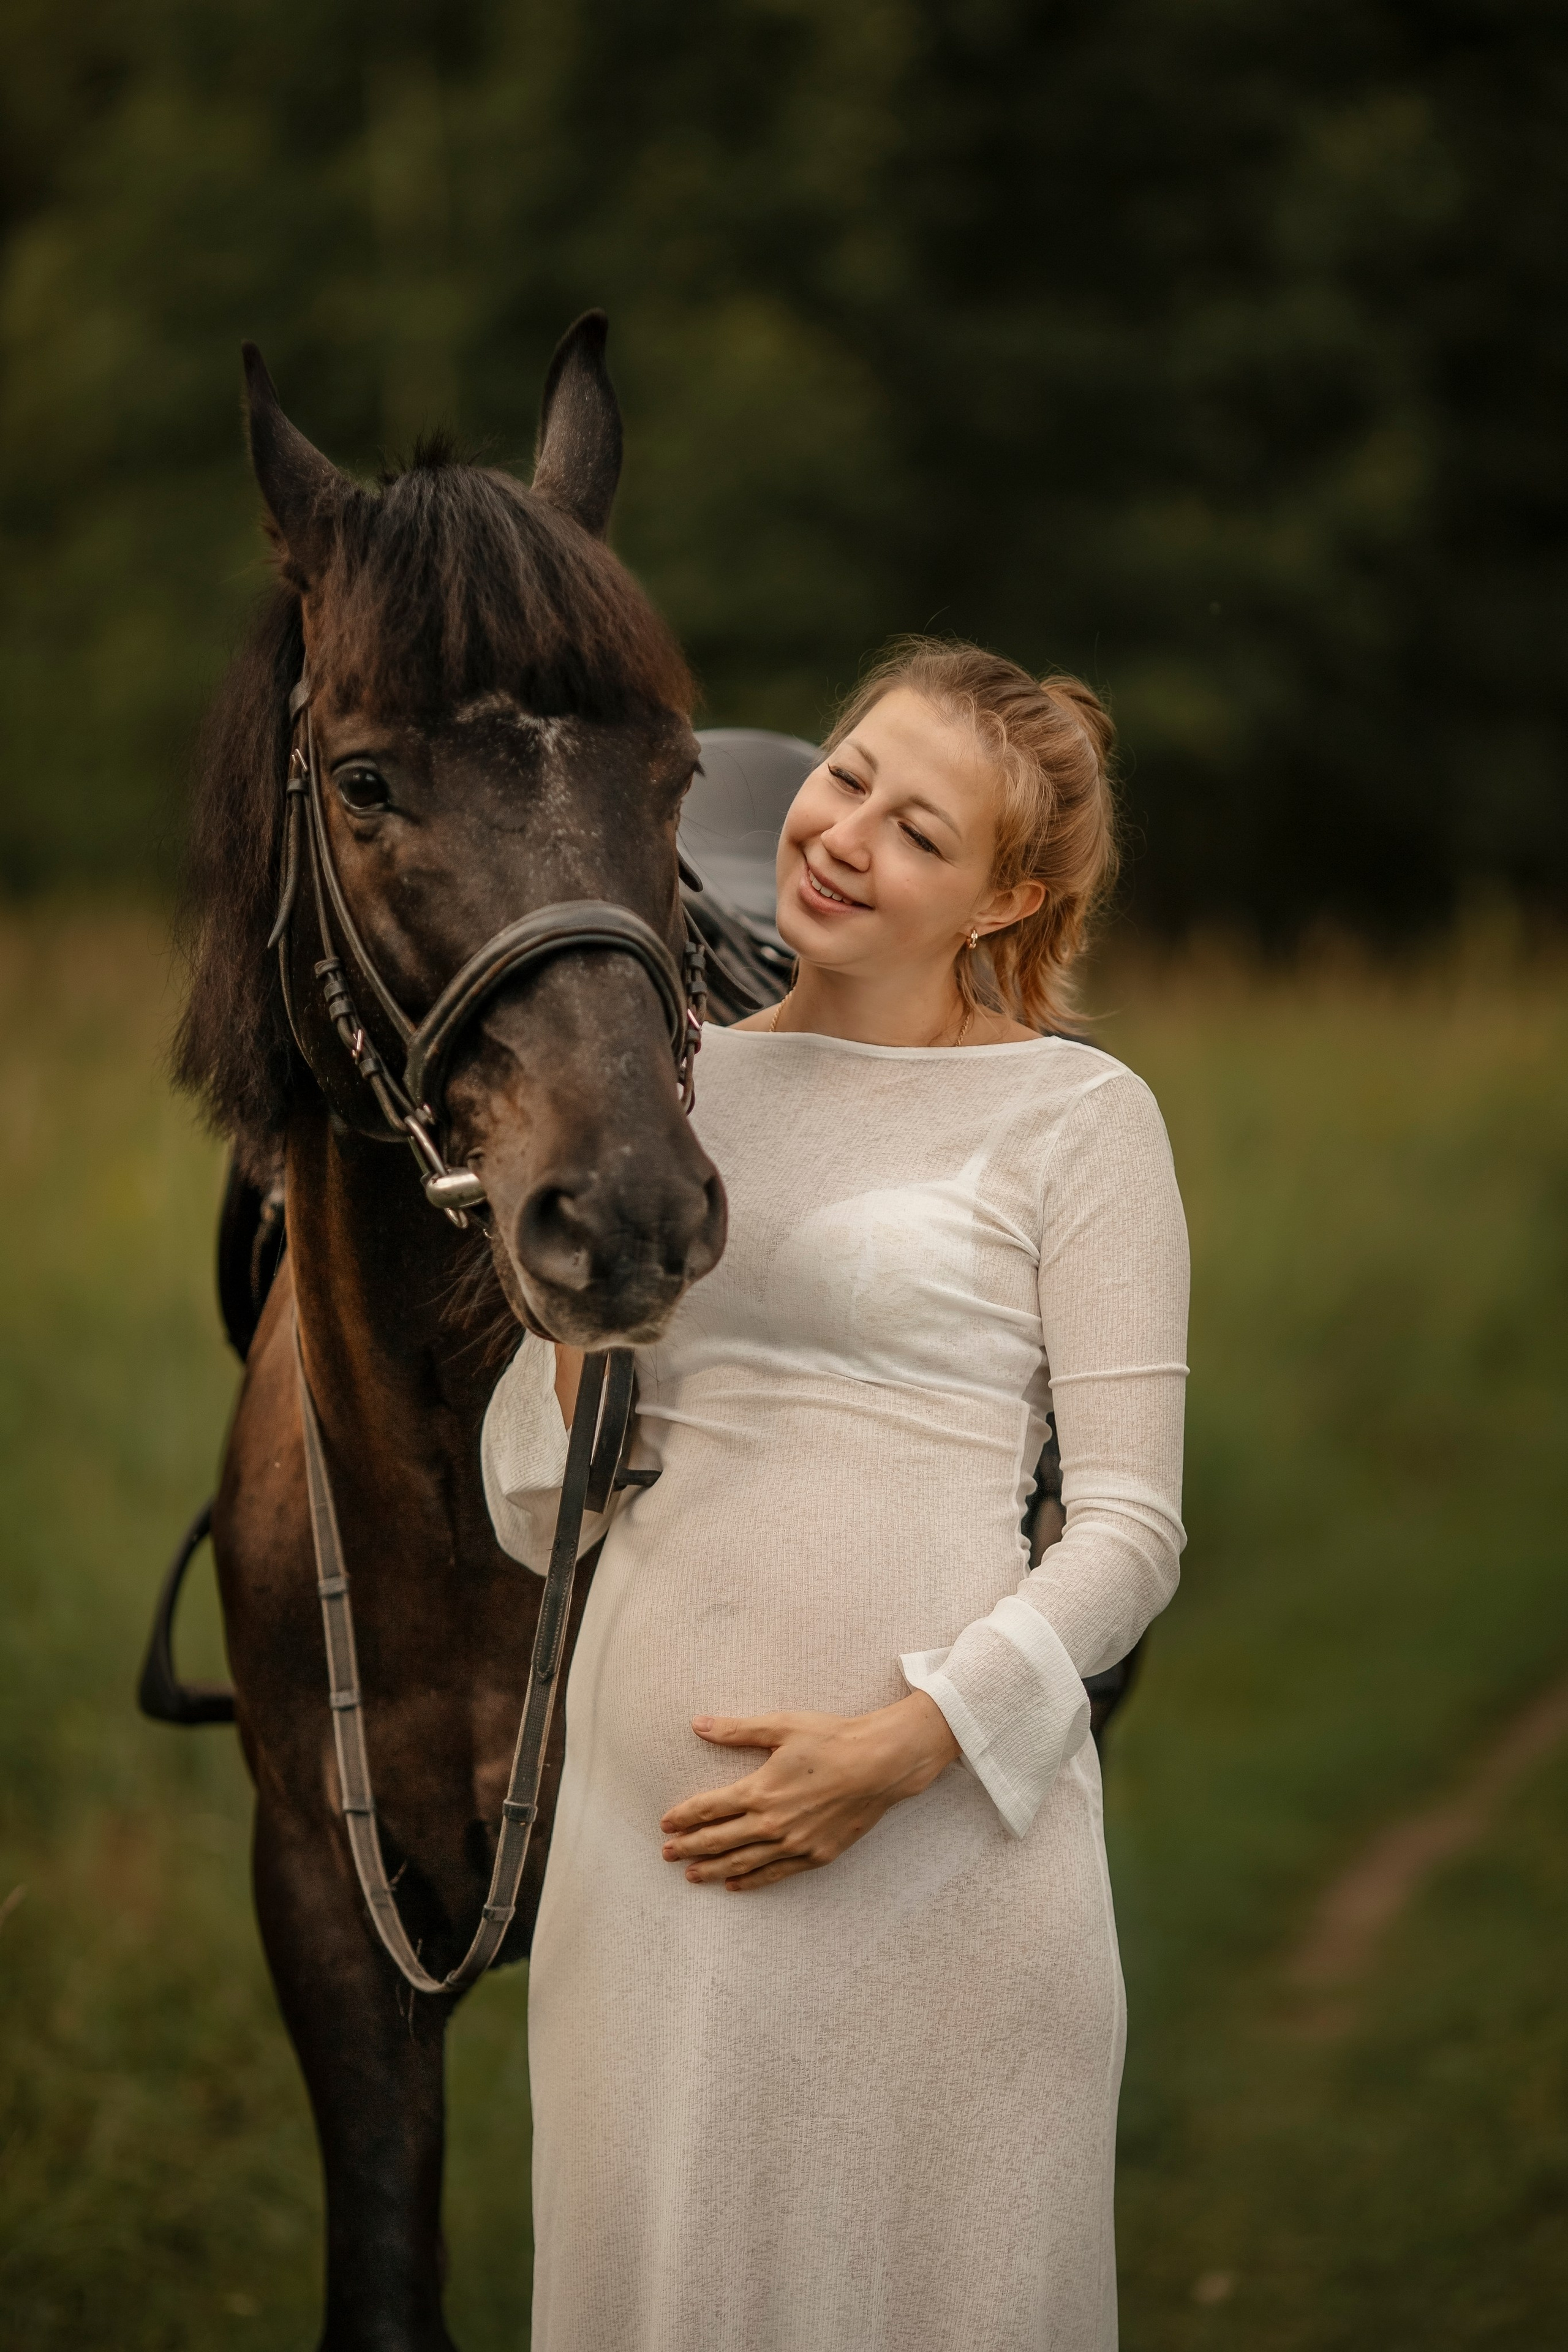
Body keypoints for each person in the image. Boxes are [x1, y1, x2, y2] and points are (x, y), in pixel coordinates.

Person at [481, 638, 1189, 2352]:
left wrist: (908, 1744)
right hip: (647, 1883)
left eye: (922, 833)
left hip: (941, 1864)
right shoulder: (672, 1081)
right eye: (850, 774)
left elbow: (1130, 1532)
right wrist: (593, 1317)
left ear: (1005, 901)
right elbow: (536, 1498)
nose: (847, 834)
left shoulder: (1074, 1120)